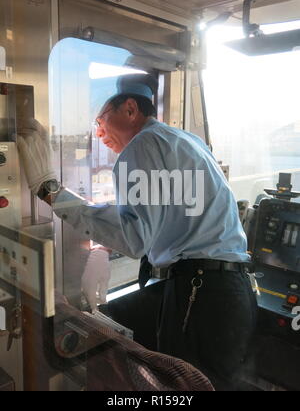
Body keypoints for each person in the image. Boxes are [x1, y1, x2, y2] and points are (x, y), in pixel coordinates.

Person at [18, 73, 257, 390]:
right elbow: (163, 217)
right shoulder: (182, 141)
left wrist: (49, 191)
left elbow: (134, 237)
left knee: (185, 388)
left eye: (101, 120)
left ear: (130, 109)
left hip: (201, 292)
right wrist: (102, 248)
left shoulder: (141, 145)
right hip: (229, 289)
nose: (100, 134)